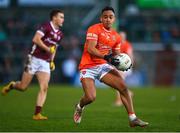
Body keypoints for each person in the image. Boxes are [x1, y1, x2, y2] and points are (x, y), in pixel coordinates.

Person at [73, 6, 148, 127]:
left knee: (123, 87)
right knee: (91, 97)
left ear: (114, 19)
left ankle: (132, 118)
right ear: (101, 18)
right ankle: (79, 106)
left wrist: (124, 64)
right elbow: (91, 49)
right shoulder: (93, 29)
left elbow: (116, 56)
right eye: (105, 17)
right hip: (87, 66)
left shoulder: (116, 36)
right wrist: (107, 58)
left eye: (110, 17)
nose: (108, 19)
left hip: (102, 65)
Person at [1, 9, 64, 120]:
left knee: (44, 88)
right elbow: (35, 39)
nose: (63, 19)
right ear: (54, 18)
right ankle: (12, 85)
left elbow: (54, 49)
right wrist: (48, 49)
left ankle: (37, 114)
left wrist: (52, 60)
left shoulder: (60, 34)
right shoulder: (46, 26)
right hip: (33, 59)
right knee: (23, 87)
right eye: (61, 17)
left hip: (45, 62)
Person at [114, 31, 134, 106]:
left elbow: (130, 56)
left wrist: (130, 66)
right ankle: (129, 93)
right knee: (114, 82)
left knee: (118, 82)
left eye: (123, 36)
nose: (121, 37)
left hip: (125, 67)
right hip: (118, 67)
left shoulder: (127, 45)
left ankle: (119, 101)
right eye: (120, 36)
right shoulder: (117, 44)